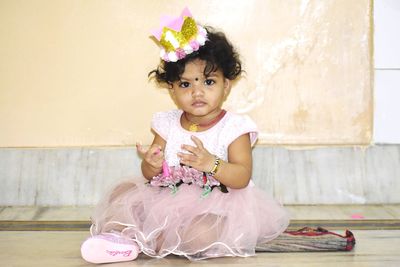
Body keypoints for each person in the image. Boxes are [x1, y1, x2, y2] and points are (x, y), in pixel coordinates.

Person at [80, 7, 289, 264]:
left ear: (226, 85)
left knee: (201, 233)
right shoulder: (167, 123)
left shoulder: (234, 127)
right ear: (172, 89)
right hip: (168, 196)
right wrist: (151, 164)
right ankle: (118, 240)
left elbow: (242, 177)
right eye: (186, 84)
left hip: (217, 204)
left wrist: (210, 163)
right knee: (123, 195)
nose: (197, 92)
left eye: (208, 82)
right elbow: (150, 176)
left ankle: (144, 241)